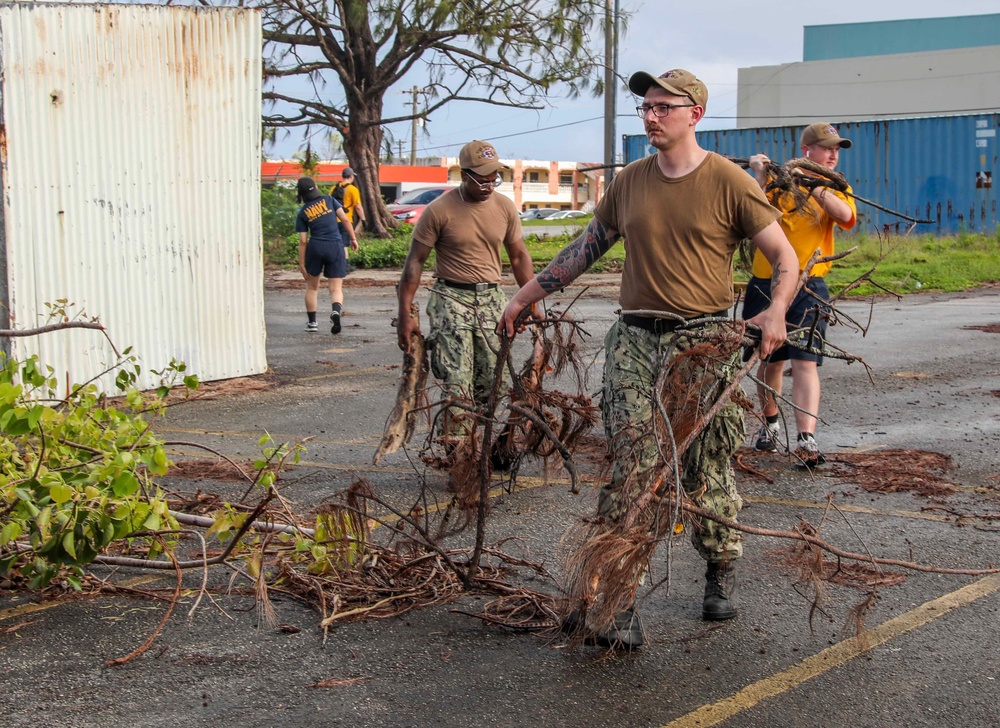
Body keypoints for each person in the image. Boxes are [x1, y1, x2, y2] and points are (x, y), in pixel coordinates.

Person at [498, 69, 799, 648]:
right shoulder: (631, 181)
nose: (651, 116)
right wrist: (523, 294)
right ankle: (617, 596)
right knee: (636, 461)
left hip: (702, 346)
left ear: (696, 114)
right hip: (636, 341)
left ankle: (719, 566)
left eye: (664, 107)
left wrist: (777, 310)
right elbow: (584, 250)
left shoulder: (731, 183)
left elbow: (784, 256)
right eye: (647, 107)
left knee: (706, 470)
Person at [396, 140, 536, 441]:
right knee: (457, 381)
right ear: (464, 174)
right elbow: (414, 263)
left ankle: (480, 444)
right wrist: (405, 314)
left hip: (491, 300)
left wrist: (533, 300)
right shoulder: (438, 211)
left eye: (493, 178)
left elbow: (519, 256)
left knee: (492, 383)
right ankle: (459, 453)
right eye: (481, 178)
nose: (488, 185)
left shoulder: (504, 208)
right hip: (451, 299)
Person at [745, 123, 857, 467]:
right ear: (807, 150)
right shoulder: (775, 185)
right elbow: (748, 211)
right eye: (826, 148)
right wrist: (761, 173)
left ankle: (806, 438)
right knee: (770, 360)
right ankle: (770, 425)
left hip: (810, 287)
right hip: (766, 283)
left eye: (837, 149)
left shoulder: (837, 188)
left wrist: (815, 186)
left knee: (806, 361)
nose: (833, 155)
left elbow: (846, 215)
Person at [295, 176, 359, 334]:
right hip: (335, 246)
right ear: (315, 186)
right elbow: (344, 219)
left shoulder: (303, 212)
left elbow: (303, 241)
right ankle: (336, 311)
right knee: (336, 289)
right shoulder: (330, 200)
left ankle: (312, 324)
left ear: (301, 193)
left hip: (316, 247)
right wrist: (353, 238)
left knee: (312, 287)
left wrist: (302, 264)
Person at [331, 167, 366, 269]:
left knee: (336, 243)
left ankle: (335, 264)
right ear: (351, 176)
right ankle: (345, 265)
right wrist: (363, 220)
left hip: (333, 220)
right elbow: (358, 207)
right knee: (344, 244)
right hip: (346, 220)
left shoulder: (333, 188)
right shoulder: (353, 189)